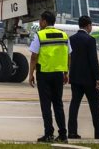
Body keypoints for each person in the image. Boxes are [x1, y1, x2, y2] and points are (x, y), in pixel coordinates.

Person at [67, 15, 99, 140]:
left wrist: (68, 73)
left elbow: (69, 58)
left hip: (75, 78)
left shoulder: (71, 39)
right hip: (89, 79)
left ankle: (72, 132)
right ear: (88, 26)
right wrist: (98, 79)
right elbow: (93, 61)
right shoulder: (90, 40)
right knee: (95, 106)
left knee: (74, 105)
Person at [28, 10, 71, 143]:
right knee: (58, 104)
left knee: (46, 105)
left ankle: (49, 134)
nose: (39, 23)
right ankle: (63, 134)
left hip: (44, 74)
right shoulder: (64, 35)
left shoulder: (40, 35)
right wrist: (66, 72)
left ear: (45, 21)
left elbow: (34, 56)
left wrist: (31, 74)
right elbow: (69, 55)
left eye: (40, 20)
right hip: (58, 74)